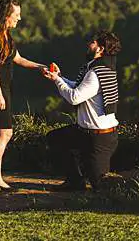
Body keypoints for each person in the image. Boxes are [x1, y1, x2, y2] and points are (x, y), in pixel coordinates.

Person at [0, 0, 45, 194]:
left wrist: (42, 67)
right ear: (6, 15)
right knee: (6, 133)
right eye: (16, 15)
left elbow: (19, 59)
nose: (19, 18)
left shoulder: (6, 35)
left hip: (4, 88)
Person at [42, 29, 121, 190]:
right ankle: (74, 182)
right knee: (56, 138)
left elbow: (74, 97)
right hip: (87, 132)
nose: (88, 44)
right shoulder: (99, 68)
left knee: (100, 185)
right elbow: (79, 88)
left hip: (99, 138)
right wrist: (58, 76)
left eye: (92, 42)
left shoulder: (95, 73)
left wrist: (57, 80)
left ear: (100, 49)